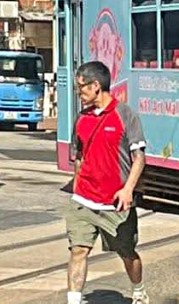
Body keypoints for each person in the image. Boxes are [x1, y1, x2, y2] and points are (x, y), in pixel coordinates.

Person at [66, 61, 148, 304]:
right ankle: (73, 300)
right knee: (78, 250)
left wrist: (127, 189)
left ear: (96, 86)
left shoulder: (125, 115)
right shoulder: (82, 118)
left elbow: (139, 158)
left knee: (126, 253)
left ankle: (138, 290)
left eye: (81, 88)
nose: (78, 93)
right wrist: (77, 185)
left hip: (115, 203)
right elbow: (79, 156)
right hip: (83, 199)